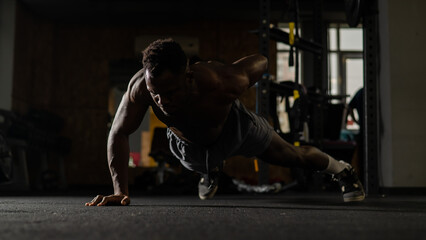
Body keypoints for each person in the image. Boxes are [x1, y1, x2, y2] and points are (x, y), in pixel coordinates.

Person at [86, 38, 365, 206]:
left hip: (237, 128)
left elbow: (263, 60)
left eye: (169, 93)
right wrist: (120, 191)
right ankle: (211, 170)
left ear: (188, 76)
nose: (161, 101)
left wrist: (233, 69)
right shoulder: (139, 89)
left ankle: (343, 171)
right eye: (155, 94)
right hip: (190, 147)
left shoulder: (222, 81)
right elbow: (119, 133)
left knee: (293, 156)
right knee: (197, 161)